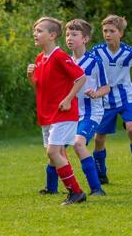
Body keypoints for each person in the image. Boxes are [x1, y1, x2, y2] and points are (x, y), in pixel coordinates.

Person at [27, 17, 87, 205]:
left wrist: (68, 99)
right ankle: (72, 191)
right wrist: (31, 77)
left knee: (53, 153)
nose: (35, 34)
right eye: (35, 31)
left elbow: (81, 78)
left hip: (63, 113)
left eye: (39, 31)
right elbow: (39, 88)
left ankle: (76, 192)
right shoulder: (39, 59)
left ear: (52, 35)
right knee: (58, 152)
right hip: (47, 115)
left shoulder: (60, 56)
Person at [90, 15, 132, 184]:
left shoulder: (130, 53)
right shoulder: (97, 51)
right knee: (99, 138)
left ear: (121, 34)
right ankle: (101, 173)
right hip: (104, 99)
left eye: (112, 31)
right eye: (105, 31)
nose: (107, 34)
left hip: (125, 98)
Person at [64, 19, 110, 196]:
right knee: (56, 147)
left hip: (91, 112)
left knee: (78, 144)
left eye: (74, 34)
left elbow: (106, 87)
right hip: (71, 112)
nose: (69, 38)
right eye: (68, 34)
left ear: (85, 39)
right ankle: (51, 188)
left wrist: (96, 93)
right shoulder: (65, 61)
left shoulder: (95, 61)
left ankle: (96, 188)